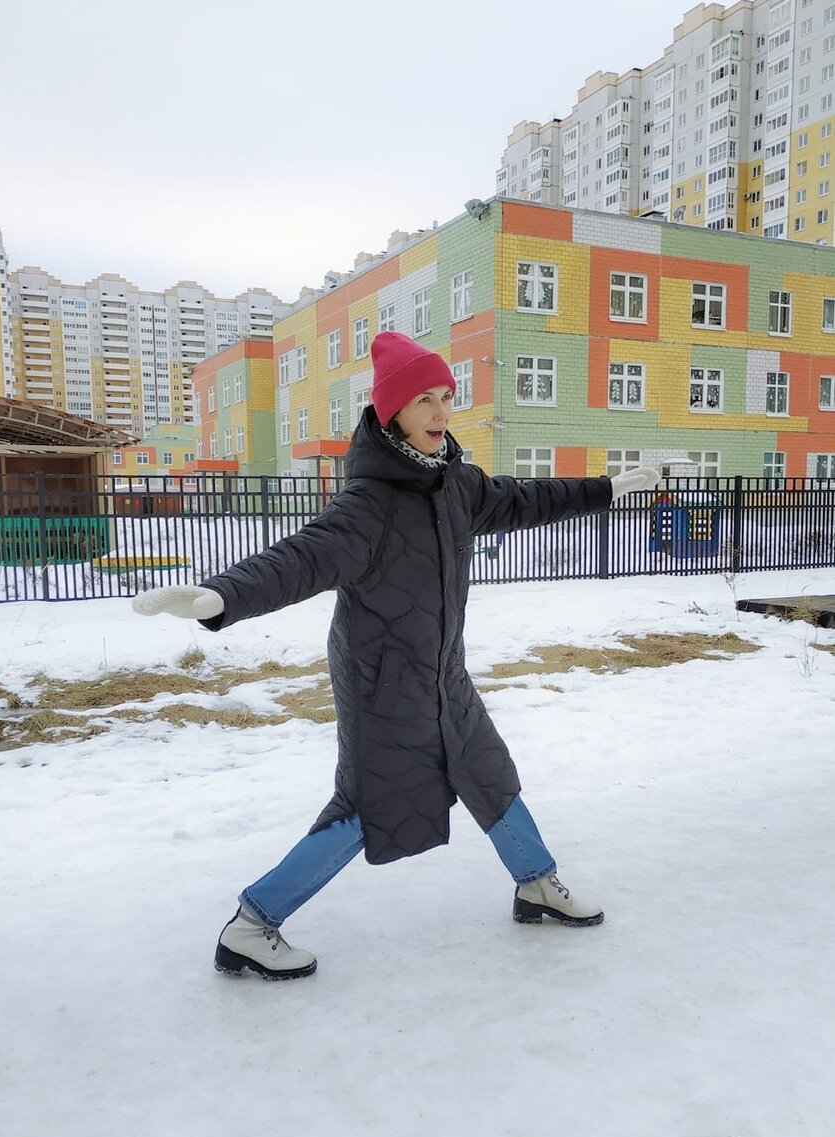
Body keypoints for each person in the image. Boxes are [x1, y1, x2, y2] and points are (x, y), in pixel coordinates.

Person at [133, 332, 659, 980]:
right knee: (368, 808)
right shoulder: (367, 506)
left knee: (489, 774)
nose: (440, 412)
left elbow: (527, 499)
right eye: (422, 400)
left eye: (444, 396)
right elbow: (301, 558)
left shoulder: (456, 487)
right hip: (381, 685)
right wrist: (220, 595)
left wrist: (607, 488)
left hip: (443, 677)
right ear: (391, 414)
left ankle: (536, 882)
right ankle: (252, 923)